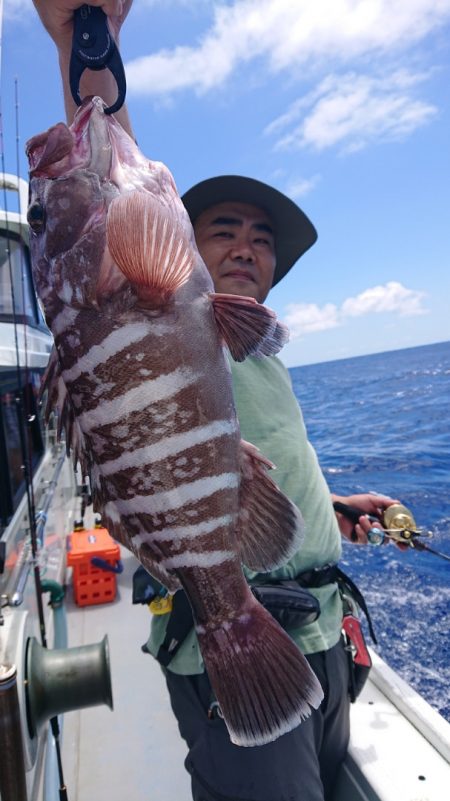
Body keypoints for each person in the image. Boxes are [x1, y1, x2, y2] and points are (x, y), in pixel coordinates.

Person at [34, 3, 399, 800]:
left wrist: (327, 502)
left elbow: (219, 452)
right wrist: (85, 38)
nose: (244, 245)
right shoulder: (164, 306)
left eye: (260, 237)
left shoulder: (250, 342)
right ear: (177, 246)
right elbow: (106, 152)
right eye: (222, 228)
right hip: (230, 633)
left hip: (316, 624)